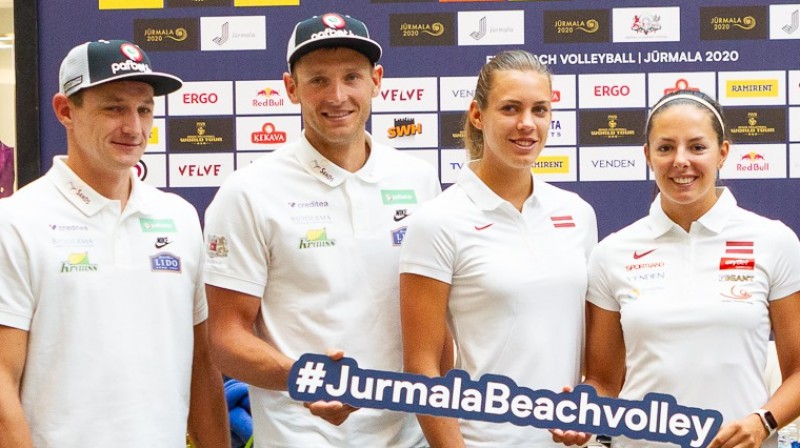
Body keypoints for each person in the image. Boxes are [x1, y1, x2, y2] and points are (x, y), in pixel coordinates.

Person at [203, 12, 441, 447]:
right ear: (290, 87)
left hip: (411, 437)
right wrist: (302, 377)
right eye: (317, 80)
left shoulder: (418, 179)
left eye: (352, 77)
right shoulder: (248, 192)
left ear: (377, 80)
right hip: (300, 437)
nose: (337, 96)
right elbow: (224, 337)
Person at [0, 40, 229, 447]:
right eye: (114, 108)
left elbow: (202, 366)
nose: (134, 127)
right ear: (65, 111)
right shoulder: (17, 221)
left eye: (144, 109)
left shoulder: (179, 217)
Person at [552, 89, 800, 448]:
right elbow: (604, 381)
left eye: (697, 147)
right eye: (665, 148)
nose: (680, 160)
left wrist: (762, 422)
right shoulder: (612, 253)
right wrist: (582, 411)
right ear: (648, 156)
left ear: (723, 153)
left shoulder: (773, 240)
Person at [399, 49, 598, 447]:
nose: (527, 124)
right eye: (510, 108)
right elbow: (421, 369)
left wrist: (589, 406)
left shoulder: (577, 214)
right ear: (478, 115)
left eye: (539, 110)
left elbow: (594, 353)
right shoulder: (438, 221)